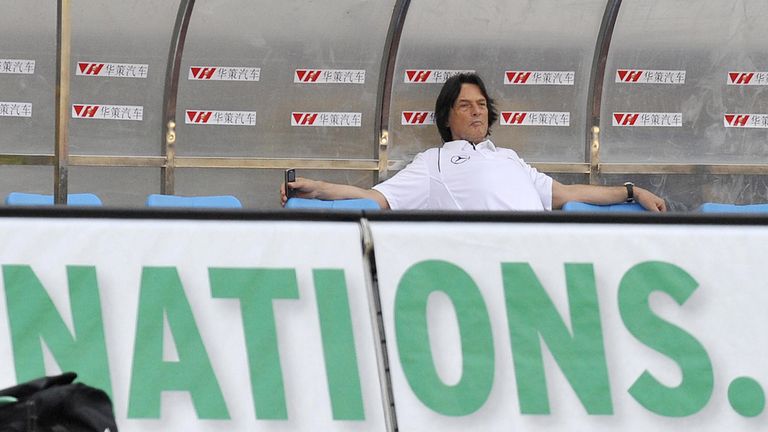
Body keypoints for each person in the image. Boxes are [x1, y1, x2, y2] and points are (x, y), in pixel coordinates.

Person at [281, 73, 667, 212]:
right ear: (447, 117)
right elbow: (379, 199)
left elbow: (564, 194)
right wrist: (316, 189)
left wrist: (632, 191)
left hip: (547, 253)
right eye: (465, 106)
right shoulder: (433, 162)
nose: (477, 112)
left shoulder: (509, 157)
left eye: (481, 105)